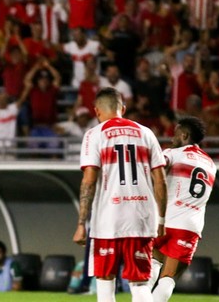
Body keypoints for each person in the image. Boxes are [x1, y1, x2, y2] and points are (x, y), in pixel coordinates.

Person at [73, 87, 167, 302]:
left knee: (105, 282)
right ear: (123, 109)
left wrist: (81, 223)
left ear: (97, 112)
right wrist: (161, 218)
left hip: (107, 219)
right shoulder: (146, 133)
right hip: (141, 217)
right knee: (140, 283)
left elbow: (89, 180)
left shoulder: (94, 135)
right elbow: (160, 180)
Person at [148, 117, 217, 301]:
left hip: (164, 220)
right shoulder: (211, 164)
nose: (172, 138)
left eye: (175, 133)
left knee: (153, 264)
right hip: (189, 225)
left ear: (184, 135)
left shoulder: (173, 153)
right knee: (168, 278)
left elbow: (153, 168)